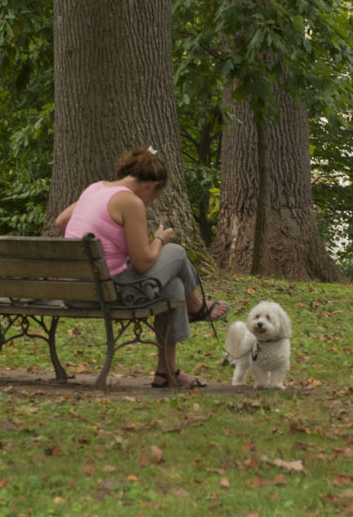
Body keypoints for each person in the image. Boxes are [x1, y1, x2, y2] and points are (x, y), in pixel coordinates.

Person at [54, 147, 229, 388]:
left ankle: (167, 371)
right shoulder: (130, 202)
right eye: (154, 196)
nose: (150, 202)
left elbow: (61, 221)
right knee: (176, 252)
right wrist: (159, 238)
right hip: (110, 292)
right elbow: (143, 262)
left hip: (75, 291)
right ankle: (197, 307)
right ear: (152, 185)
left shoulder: (95, 188)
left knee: (174, 286)